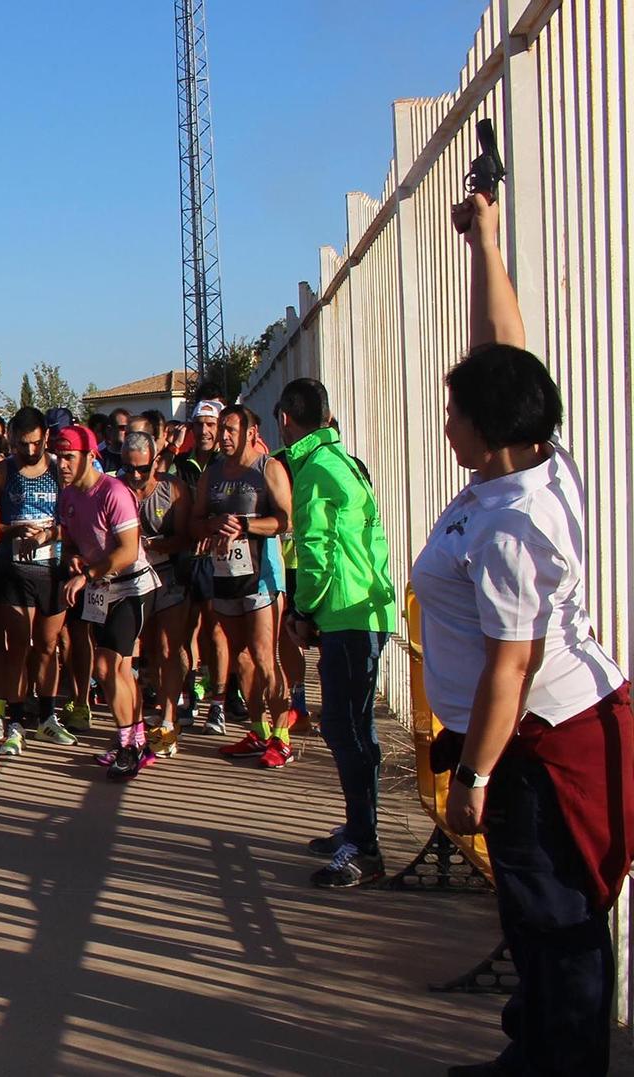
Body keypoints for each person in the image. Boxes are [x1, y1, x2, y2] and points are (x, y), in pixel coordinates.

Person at [420, 191, 632, 1077]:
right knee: (541, 909)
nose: (446, 420)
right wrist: (486, 242)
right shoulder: (531, 464)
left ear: (490, 429)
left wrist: (471, 775)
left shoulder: (512, 525)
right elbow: (503, 354)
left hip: (540, 741)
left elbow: (514, 663)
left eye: (455, 410)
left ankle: (564, 1060)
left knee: (557, 913)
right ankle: (537, 1045)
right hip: (537, 735)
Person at [273, 377, 396, 887]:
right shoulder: (340, 462)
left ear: (284, 419)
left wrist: (304, 611)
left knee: (346, 731)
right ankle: (359, 827)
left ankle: (365, 846)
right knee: (353, 728)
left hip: (347, 616)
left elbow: (316, 553)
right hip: (362, 612)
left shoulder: (314, 472)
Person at [51, 426, 156, 779]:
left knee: (107, 668)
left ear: (89, 456)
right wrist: (74, 560)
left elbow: (127, 550)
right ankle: (135, 738)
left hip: (131, 587)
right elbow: (69, 542)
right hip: (101, 588)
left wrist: (87, 574)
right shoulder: (66, 496)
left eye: (69, 457)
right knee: (119, 670)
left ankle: (129, 746)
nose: (61, 464)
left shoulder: (113, 491)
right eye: (59, 456)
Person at [195, 405, 295, 765]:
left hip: (262, 574)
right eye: (221, 429)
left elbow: (285, 520)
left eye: (231, 430)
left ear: (252, 433)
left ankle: (282, 737)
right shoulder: (213, 472)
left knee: (265, 656)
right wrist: (214, 524)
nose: (222, 436)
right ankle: (258, 730)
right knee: (240, 657)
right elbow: (196, 519)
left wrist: (246, 525)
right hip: (225, 573)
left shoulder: (268, 468)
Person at [0, 406, 77, 751]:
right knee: (18, 647)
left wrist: (51, 534)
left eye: (35, 443)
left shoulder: (59, 469)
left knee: (48, 646)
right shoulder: (1, 472)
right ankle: (16, 721)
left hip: (52, 569)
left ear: (46, 438)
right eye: (22, 444)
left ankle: (48, 717)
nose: (30, 450)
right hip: (15, 570)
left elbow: (75, 519)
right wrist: (14, 530)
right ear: (11, 439)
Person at [123, 431, 194, 756]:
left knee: (169, 647)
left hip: (168, 577)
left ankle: (168, 718)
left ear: (156, 462)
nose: (136, 476)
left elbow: (186, 537)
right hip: (132, 579)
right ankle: (134, 724)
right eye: (130, 468)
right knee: (140, 650)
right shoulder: (119, 488)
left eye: (143, 468)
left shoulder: (173, 489)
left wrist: (154, 545)